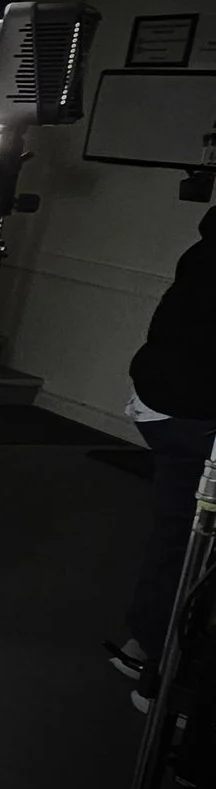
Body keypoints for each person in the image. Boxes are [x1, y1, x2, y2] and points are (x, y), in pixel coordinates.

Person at [118, 205, 216, 698]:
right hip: (187, 412)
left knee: (180, 536)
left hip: (167, 405)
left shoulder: (206, 249)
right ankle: (160, 675)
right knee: (190, 544)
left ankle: (145, 650)